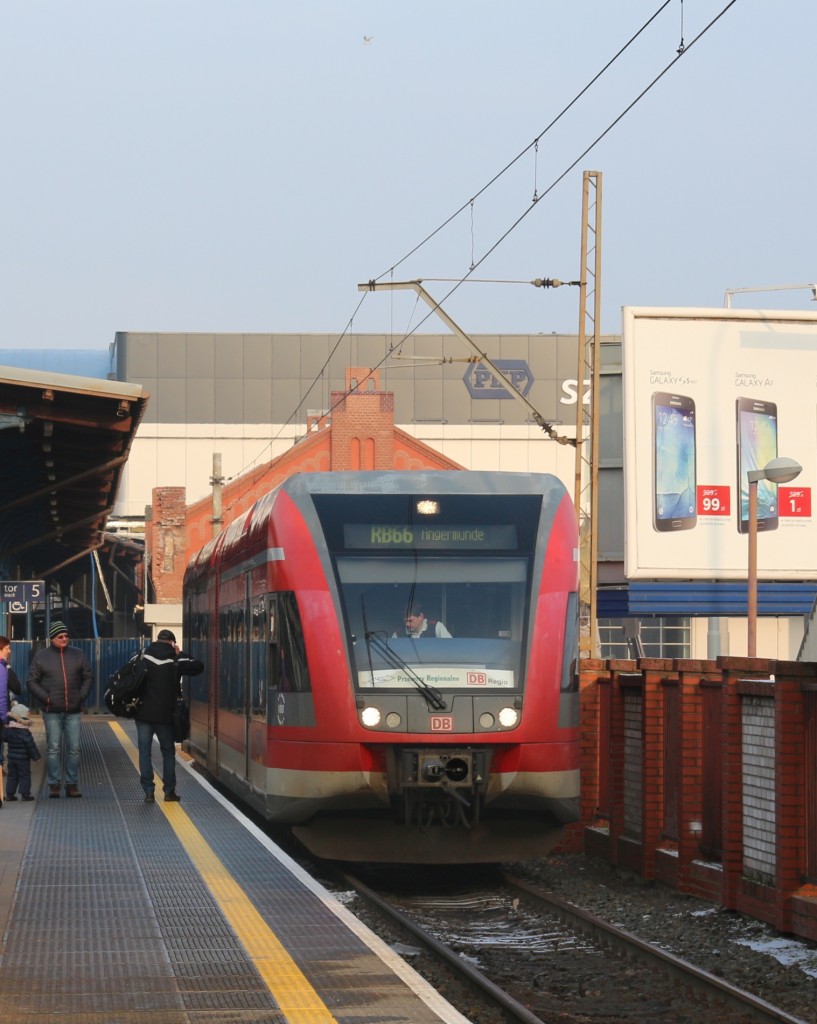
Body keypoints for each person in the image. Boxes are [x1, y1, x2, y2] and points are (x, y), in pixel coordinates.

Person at [135, 628, 203, 804]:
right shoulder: (176, 658)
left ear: (157, 640)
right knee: (167, 752)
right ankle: (169, 792)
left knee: (144, 752)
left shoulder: (142, 655)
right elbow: (198, 666)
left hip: (143, 713)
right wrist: (180, 653)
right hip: (165, 715)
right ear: (172, 642)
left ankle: (148, 792)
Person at [26, 620, 93, 798]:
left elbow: (88, 677)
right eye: (60, 636)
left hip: (73, 710)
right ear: (52, 638)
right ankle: (54, 784)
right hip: (51, 711)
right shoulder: (41, 657)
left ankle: (72, 783)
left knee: (75, 747)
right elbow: (31, 681)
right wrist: (46, 698)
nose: (64, 638)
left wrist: (81, 696)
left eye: (66, 636)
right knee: (53, 747)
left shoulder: (78, 655)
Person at [4, 703, 41, 802]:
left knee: (12, 776)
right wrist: (36, 757)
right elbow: (30, 746)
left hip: (11, 758)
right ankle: (25, 794)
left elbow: (4, 738)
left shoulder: (9, 730)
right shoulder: (25, 732)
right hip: (23, 760)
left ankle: (9, 794)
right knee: (24, 776)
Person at [0, 636, 22, 754]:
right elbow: (2, 696)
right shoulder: (2, 669)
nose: (10, 651)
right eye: (7, 648)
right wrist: (4, 718)